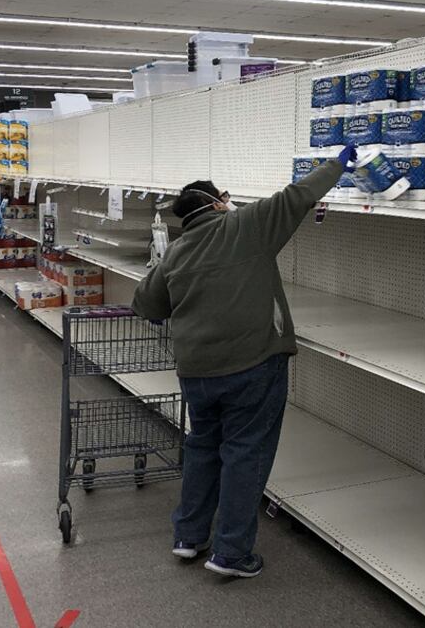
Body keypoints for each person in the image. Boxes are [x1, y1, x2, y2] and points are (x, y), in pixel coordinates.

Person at [131, 144, 357, 578]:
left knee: (202, 446)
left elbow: (148, 304)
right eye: (225, 197)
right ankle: (232, 553)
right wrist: (338, 163)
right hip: (253, 363)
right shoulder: (245, 227)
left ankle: (189, 536)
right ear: (218, 203)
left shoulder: (178, 250)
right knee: (244, 452)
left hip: (196, 371)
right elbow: (296, 196)